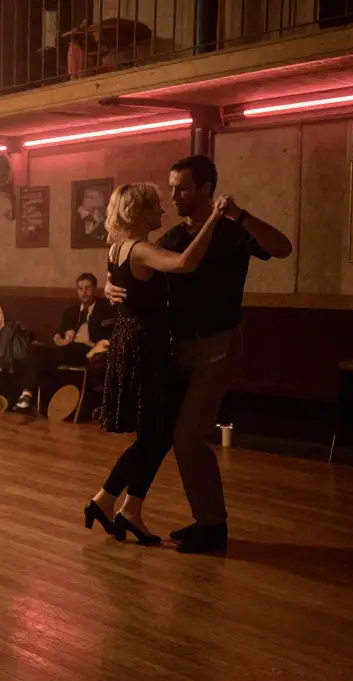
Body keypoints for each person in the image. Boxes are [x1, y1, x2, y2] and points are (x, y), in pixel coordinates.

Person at [104, 156, 292, 553]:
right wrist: (109, 285)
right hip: (177, 348)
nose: (172, 196)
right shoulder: (172, 238)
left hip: (216, 345)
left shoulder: (230, 231)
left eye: (181, 188)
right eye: (170, 188)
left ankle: (212, 525)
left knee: (186, 435)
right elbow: (132, 261)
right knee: (165, 432)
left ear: (207, 189)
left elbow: (282, 247)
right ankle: (134, 508)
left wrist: (240, 215)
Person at [85, 183, 221, 546]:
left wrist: (108, 287)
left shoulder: (116, 248)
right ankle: (106, 500)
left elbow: (116, 281)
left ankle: (126, 508)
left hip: (132, 340)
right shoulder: (141, 249)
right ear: (139, 212)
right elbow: (184, 263)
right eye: (156, 208)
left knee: (157, 435)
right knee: (156, 435)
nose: (163, 213)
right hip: (146, 345)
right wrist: (215, 219)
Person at [14, 272, 114, 411]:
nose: (83, 293)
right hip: (68, 349)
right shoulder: (71, 311)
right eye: (80, 289)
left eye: (87, 288)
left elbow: (110, 334)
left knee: (44, 358)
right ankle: (26, 395)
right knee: (36, 350)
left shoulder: (106, 308)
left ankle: (33, 399)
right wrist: (64, 338)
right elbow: (57, 336)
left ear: (95, 289)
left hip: (89, 351)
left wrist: (97, 344)